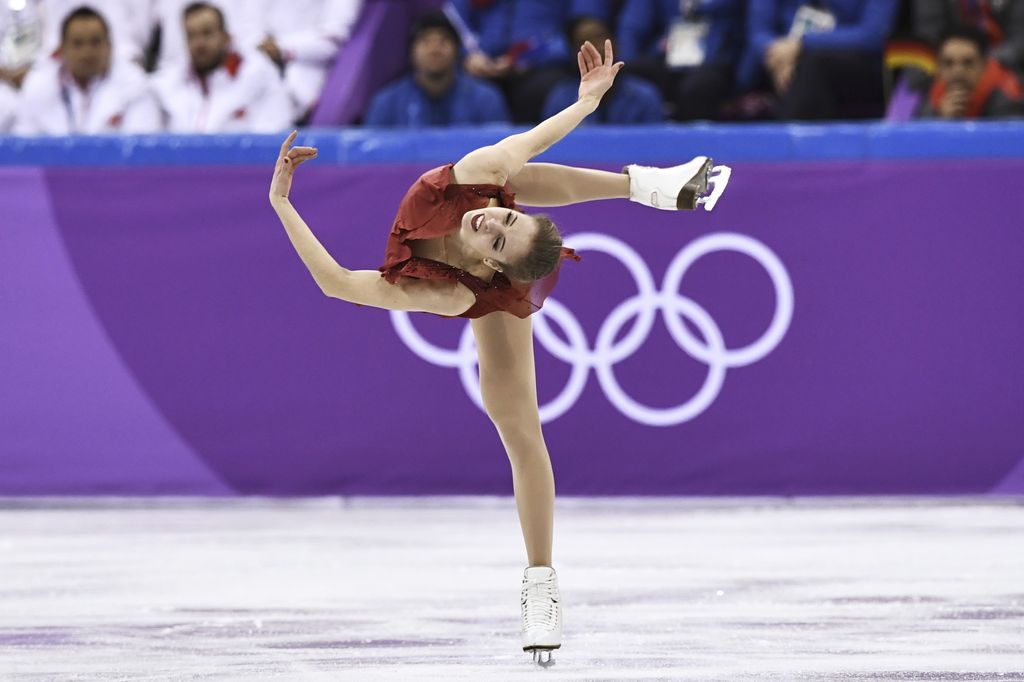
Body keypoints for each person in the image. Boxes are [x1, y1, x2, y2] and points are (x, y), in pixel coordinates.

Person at [269, 39, 731, 664]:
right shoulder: (479, 181)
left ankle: (540, 584)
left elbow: (337, 283)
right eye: (507, 219)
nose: (495, 221)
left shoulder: (457, 294)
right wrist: (587, 104)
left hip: (476, 288)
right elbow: (536, 141)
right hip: (482, 190)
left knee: (520, 431)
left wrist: (282, 203)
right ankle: (648, 185)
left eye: (503, 233)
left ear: (495, 266)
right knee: (515, 171)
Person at [14, 6, 160, 135]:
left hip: (116, 166)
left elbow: (142, 147)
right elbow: (24, 146)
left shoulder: (135, 86)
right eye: (78, 44)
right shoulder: (37, 87)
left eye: (95, 42)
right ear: (61, 49)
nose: (87, 52)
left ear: (110, 46)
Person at [744, 0, 899, 120]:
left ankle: (787, 153)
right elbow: (758, 32)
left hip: (858, 65)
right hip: (780, 62)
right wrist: (779, 55)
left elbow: (872, 36)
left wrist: (801, 44)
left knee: (815, 66)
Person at [152, 2, 291, 133]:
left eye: (207, 33)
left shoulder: (258, 75)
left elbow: (273, 137)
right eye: (191, 36)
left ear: (226, 37)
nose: (199, 43)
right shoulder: (169, 84)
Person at [364, 11, 510, 127]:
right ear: (411, 52)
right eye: (425, 41)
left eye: (443, 40)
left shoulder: (486, 99)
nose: (434, 49)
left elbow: (499, 156)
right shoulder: (386, 103)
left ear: (457, 50)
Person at [615, 0, 745, 120]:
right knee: (636, 71)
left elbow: (752, 29)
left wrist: (743, 82)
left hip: (714, 61)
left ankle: (690, 142)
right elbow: (632, 27)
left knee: (696, 89)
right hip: (667, 56)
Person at [542, 16, 664, 124]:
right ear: (574, 52)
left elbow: (654, 145)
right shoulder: (561, 99)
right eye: (585, 42)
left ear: (615, 42)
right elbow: (550, 146)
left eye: (600, 37)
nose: (595, 47)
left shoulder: (645, 97)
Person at [917, 24, 1024, 119]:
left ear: (984, 65)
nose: (958, 71)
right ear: (938, 67)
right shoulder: (932, 99)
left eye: (968, 63)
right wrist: (941, 119)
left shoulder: (1007, 99)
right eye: (948, 63)